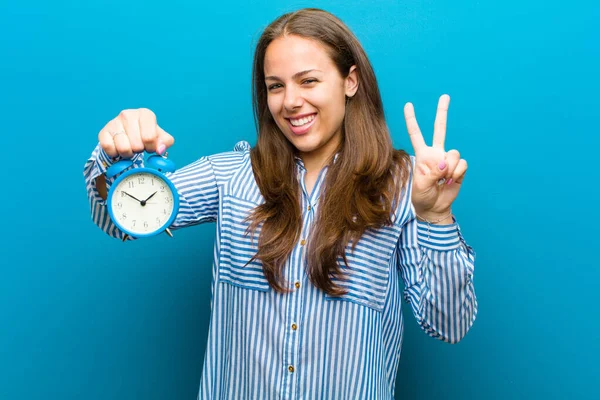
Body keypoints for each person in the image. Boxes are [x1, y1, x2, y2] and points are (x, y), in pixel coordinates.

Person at [83, 8, 477, 399]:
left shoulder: (405, 185)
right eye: (275, 86)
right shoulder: (229, 176)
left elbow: (450, 325)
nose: (290, 102)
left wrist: (436, 216)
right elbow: (119, 221)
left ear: (350, 81)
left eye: (308, 80)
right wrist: (116, 161)